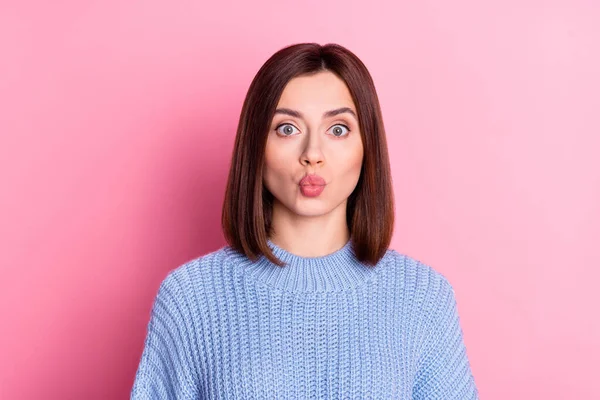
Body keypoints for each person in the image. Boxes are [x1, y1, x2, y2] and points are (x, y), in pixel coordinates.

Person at [130, 42, 479, 399]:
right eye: (287, 129)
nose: (312, 154)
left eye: (338, 129)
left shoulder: (423, 298)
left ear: (367, 145)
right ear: (256, 145)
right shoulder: (191, 298)